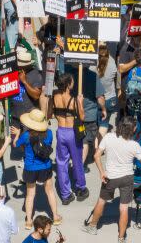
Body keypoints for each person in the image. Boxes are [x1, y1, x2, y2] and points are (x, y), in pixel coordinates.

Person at [81, 116, 141, 242]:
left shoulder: (109, 137)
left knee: (101, 201)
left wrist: (101, 172)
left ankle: (93, 226)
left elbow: (96, 155)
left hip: (110, 177)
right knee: (124, 208)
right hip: (127, 178)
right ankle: (121, 238)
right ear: (132, 130)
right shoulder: (134, 145)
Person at [11, 110, 61, 227]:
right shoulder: (49, 133)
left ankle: (29, 221)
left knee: (30, 194)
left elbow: (15, 144)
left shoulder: (26, 136)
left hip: (30, 167)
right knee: (49, 191)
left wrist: (18, 134)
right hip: (46, 166)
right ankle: (55, 216)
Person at [51, 72, 89, 204]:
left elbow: (52, 113)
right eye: (71, 81)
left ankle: (65, 194)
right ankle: (80, 187)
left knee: (61, 163)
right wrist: (80, 102)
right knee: (77, 161)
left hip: (60, 131)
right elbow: (82, 117)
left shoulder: (54, 97)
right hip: (72, 132)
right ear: (68, 84)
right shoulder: (73, 100)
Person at [9, 48, 44, 127]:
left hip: (28, 118)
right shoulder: (15, 71)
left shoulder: (36, 75)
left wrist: (24, 82)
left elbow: (36, 95)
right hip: (15, 116)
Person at [79, 66, 107, 168]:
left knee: (79, 138)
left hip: (76, 114)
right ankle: (81, 166)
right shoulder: (92, 76)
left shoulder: (72, 74)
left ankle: (80, 162)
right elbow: (100, 97)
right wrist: (103, 109)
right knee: (85, 141)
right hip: (89, 116)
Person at [95, 45, 118, 139]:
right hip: (109, 99)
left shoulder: (93, 66)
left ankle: (95, 143)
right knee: (104, 123)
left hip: (97, 98)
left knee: (96, 123)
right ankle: (99, 145)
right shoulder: (113, 64)